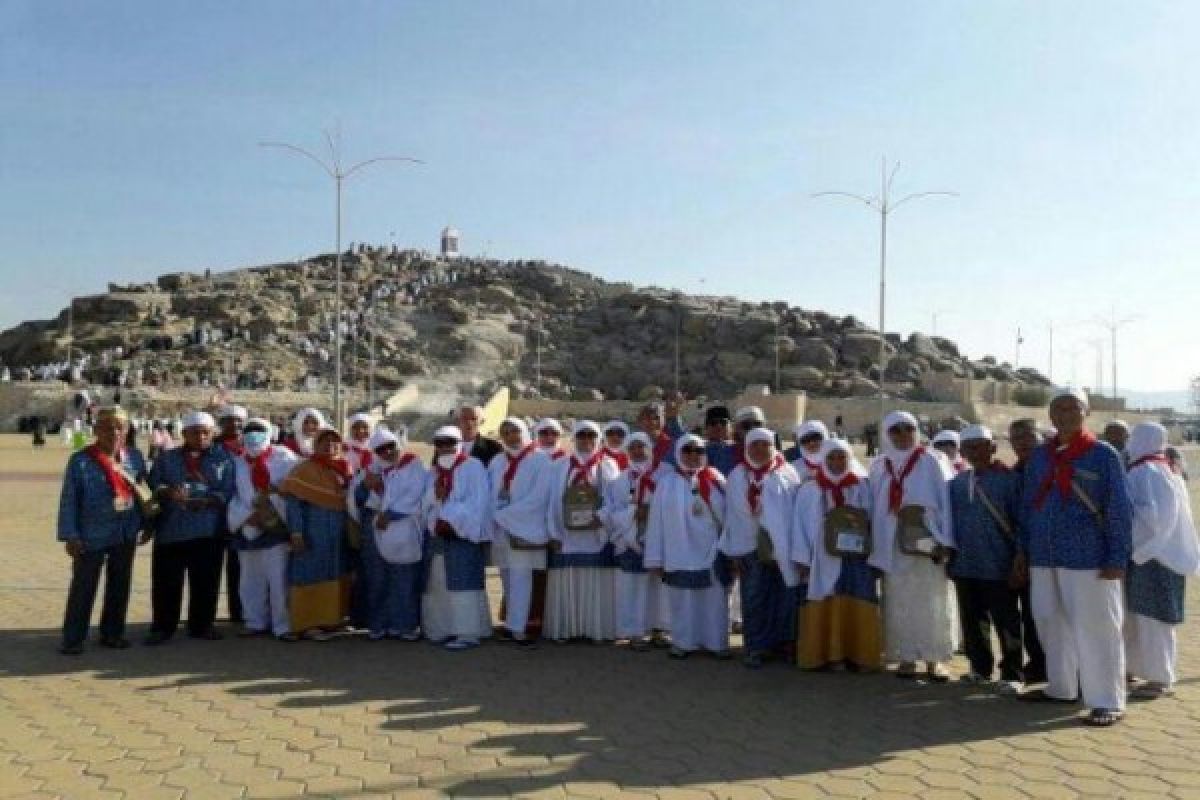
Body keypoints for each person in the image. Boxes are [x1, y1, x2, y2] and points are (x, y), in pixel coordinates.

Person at [1019, 388, 1132, 726]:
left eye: (1073, 408)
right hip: (1044, 555)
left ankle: (1107, 699)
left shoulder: (1102, 454)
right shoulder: (1040, 456)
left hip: (1090, 556)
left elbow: (1118, 509)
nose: (1065, 414)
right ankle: (1062, 687)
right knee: (1050, 621)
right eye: (1059, 408)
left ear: (1085, 413)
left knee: (1096, 628)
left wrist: (1117, 556)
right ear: (1050, 414)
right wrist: (1022, 550)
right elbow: (1028, 505)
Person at [868, 410, 958, 681]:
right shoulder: (879, 465)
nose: (903, 435)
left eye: (908, 428)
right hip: (892, 543)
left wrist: (945, 540)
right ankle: (906, 656)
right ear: (886, 433)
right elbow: (872, 505)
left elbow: (947, 502)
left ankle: (935, 658)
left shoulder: (933, 461)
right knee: (898, 600)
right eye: (896, 430)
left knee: (932, 598)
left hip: (928, 541)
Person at [56, 407, 148, 655]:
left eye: (119, 427)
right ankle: (73, 638)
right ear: (96, 430)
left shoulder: (135, 458)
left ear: (127, 431)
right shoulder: (81, 460)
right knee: (83, 586)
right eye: (107, 427)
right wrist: (70, 535)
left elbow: (144, 494)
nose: (113, 432)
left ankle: (113, 633)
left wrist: (147, 525)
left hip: (125, 532)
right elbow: (69, 500)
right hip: (90, 534)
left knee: (120, 584)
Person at [1123, 422, 1200, 699]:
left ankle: (1160, 678)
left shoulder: (1148, 471)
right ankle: (1132, 668)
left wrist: (1133, 546)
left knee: (1154, 620)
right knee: (1138, 616)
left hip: (1154, 556)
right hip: (1153, 555)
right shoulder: (1163, 468)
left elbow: (1153, 520)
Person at [145, 411, 235, 645]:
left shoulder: (223, 459)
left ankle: (202, 625)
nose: (200, 436)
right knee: (166, 582)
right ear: (184, 433)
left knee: (206, 581)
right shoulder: (167, 458)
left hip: (207, 529)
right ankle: (163, 627)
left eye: (205, 432)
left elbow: (229, 490)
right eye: (194, 432)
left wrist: (208, 500)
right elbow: (153, 483)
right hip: (172, 529)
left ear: (213, 433)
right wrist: (167, 492)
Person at [793, 438, 881, 672]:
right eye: (831, 457)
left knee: (858, 599)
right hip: (822, 557)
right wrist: (802, 558)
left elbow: (873, 521)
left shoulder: (862, 486)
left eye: (842, 457)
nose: (837, 462)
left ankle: (860, 656)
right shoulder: (810, 489)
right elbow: (799, 526)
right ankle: (829, 655)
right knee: (827, 601)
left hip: (857, 557)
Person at [947, 425, 1024, 695]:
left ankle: (1013, 672)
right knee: (973, 620)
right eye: (969, 447)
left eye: (981, 446)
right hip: (966, 563)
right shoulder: (957, 483)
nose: (975, 452)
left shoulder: (1010, 481)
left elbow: (1021, 522)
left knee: (1006, 621)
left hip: (999, 564)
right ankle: (979, 669)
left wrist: (1019, 558)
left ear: (992, 448)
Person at [722, 428, 803, 668]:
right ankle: (756, 646)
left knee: (784, 598)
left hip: (783, 549)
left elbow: (794, 514)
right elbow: (733, 517)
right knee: (755, 598)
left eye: (764, 444)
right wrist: (735, 551)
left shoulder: (787, 473)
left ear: (773, 446)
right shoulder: (738, 475)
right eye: (754, 444)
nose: (759, 449)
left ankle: (783, 645)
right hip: (749, 548)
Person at [645, 434, 731, 659]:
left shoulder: (716, 480)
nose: (693, 455)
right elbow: (656, 523)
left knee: (714, 600)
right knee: (683, 600)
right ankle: (684, 643)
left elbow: (730, 517)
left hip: (712, 551)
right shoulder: (667, 483)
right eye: (688, 450)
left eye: (698, 451)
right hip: (679, 551)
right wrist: (655, 557)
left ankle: (716, 643)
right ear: (679, 453)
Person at [546, 420, 620, 643]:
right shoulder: (560, 466)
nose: (586, 440)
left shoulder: (608, 465)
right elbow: (551, 502)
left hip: (595, 534)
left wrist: (602, 517)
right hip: (567, 536)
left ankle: (595, 630)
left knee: (595, 582)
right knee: (568, 581)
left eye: (591, 435)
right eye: (581, 435)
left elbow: (615, 500)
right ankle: (567, 629)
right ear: (574, 438)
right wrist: (553, 533)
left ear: (597, 439)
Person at [420, 425, 492, 650]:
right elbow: (424, 503)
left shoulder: (473, 466)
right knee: (438, 583)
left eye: (450, 442)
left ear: (459, 443)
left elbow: (479, 502)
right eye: (440, 443)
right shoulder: (432, 472)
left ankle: (467, 632)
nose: (445, 448)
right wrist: (435, 496)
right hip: (439, 537)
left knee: (464, 584)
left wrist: (452, 518)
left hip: (463, 535)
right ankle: (441, 629)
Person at [226, 418, 298, 639]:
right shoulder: (236, 462)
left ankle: (282, 625)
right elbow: (233, 495)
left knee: (278, 579)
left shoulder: (284, 458)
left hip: (276, 527)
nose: (254, 435)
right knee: (250, 579)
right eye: (249, 432)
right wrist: (247, 516)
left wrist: (272, 507)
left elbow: (292, 487)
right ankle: (255, 621)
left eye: (259, 431)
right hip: (248, 525)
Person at [279, 427, 353, 641]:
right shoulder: (303, 470)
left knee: (335, 573)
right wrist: (296, 533)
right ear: (316, 444)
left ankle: (331, 620)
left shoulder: (344, 468)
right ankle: (307, 623)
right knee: (310, 574)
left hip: (336, 534)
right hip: (312, 531)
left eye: (335, 442)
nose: (331, 446)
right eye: (325, 442)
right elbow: (293, 504)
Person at [602, 432, 669, 649]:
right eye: (633, 448)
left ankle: (658, 629)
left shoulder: (663, 475)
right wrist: (634, 512)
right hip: (630, 540)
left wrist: (652, 512)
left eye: (642, 447)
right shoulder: (619, 480)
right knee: (633, 587)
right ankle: (634, 632)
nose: (638, 451)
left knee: (658, 587)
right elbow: (612, 512)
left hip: (658, 539)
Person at [489, 417, 553, 647]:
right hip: (502, 528)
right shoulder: (498, 461)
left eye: (515, 431)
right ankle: (510, 624)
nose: (511, 436)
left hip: (524, 527)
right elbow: (491, 492)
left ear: (524, 432)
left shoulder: (540, 460)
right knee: (506, 576)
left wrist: (506, 515)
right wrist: (496, 514)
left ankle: (519, 628)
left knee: (521, 577)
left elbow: (539, 498)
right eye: (505, 432)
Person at [358, 428, 427, 641]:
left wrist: (390, 515)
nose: (388, 452)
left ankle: (404, 625)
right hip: (376, 531)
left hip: (404, 529)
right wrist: (370, 487)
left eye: (391, 446)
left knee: (403, 580)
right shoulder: (372, 469)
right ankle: (379, 624)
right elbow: (359, 498)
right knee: (377, 579)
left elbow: (416, 496)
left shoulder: (414, 466)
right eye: (382, 449)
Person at [1007, 418, 1047, 683]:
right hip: (1021, 553)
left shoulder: (1050, 469)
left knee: (1048, 613)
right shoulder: (1014, 473)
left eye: (1028, 436)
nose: (1022, 442)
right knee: (1030, 613)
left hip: (1048, 554)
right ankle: (1037, 663)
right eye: (1016, 438)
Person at [216, 403, 249, 627]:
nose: (235, 425)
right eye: (229, 420)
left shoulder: (251, 445)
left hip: (243, 511)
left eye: (238, 421)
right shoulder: (213, 447)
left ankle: (240, 611)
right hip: (217, 511)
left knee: (240, 564)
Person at [702, 406, 738, 476]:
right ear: (706, 429)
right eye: (713, 423)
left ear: (731, 427)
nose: (719, 426)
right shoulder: (698, 449)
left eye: (723, 422)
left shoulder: (740, 449)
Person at [638, 402, 676, 468]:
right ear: (640, 421)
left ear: (664, 419)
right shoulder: (631, 445)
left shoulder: (673, 446)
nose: (653, 422)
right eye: (648, 418)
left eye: (657, 417)